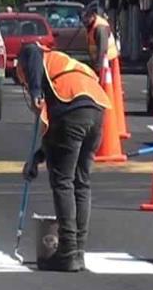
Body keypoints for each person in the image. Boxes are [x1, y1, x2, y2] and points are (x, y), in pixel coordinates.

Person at [18, 42, 112, 272]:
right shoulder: (63, 63)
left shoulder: (35, 56)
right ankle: (78, 250)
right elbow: (57, 140)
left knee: (63, 182)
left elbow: (30, 51)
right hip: (97, 111)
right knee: (81, 182)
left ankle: (67, 251)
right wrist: (38, 158)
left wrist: (35, 91)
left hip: (72, 107)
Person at [82, 5, 119, 73]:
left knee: (105, 81)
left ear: (93, 16)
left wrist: (98, 67)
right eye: (84, 17)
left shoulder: (100, 28)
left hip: (106, 61)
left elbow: (102, 49)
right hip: (102, 61)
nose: (84, 20)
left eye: (87, 17)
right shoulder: (91, 25)